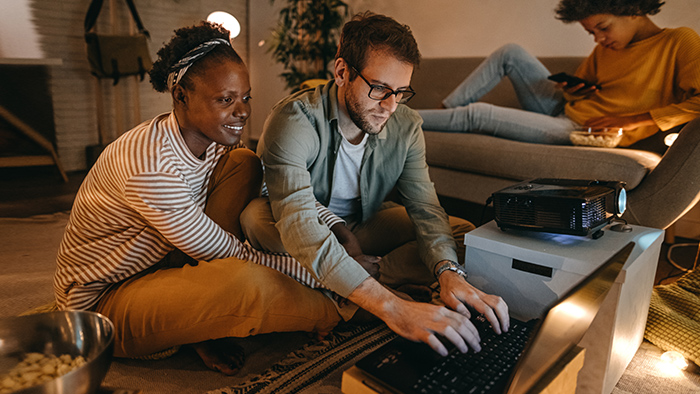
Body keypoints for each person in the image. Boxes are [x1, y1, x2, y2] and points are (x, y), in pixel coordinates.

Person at [53, 22, 344, 375]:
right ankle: (336, 309)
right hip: (104, 304)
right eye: (225, 99)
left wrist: (336, 228)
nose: (242, 111)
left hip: (161, 259)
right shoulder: (150, 166)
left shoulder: (215, 140)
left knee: (245, 164)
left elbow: (278, 189)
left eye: (245, 97)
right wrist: (330, 275)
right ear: (181, 96)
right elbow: (236, 255)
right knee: (246, 281)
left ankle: (199, 321)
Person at [241, 11, 510, 357]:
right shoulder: (294, 120)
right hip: (304, 223)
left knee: (462, 235)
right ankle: (374, 291)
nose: (389, 106)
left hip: (366, 224)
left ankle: (356, 281)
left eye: (400, 92)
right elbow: (297, 219)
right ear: (342, 72)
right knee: (253, 218)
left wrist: (448, 274)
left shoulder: (407, 124)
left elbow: (425, 208)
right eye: (380, 88)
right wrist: (391, 308)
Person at [417, 0, 700, 148]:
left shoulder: (679, 42)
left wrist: (632, 121)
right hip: (565, 110)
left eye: (603, 27)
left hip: (582, 130)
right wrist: (576, 89)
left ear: (634, 9)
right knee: (510, 52)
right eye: (591, 33)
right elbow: (587, 85)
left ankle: (405, 118)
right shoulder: (608, 48)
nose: (598, 39)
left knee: (479, 114)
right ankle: (445, 114)